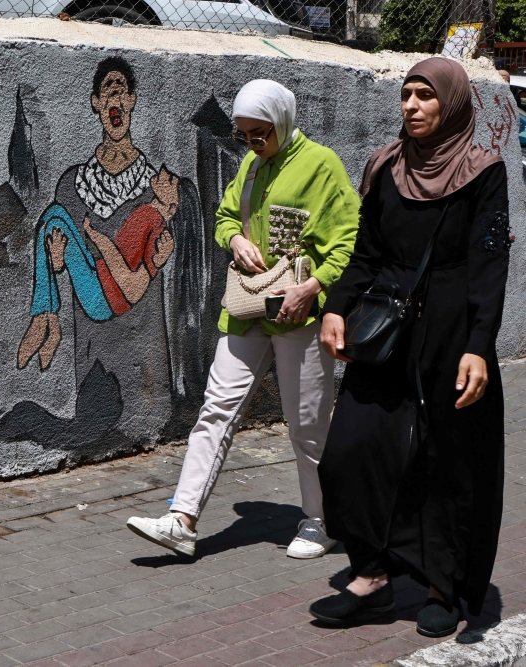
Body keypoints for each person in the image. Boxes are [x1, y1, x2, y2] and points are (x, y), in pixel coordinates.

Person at [311, 58, 511, 638]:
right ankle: (371, 574)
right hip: (386, 326)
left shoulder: (481, 171)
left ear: (449, 105)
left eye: (425, 96)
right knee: (352, 447)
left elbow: (488, 263)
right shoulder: (385, 167)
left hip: (451, 331)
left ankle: (441, 587)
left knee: (444, 460)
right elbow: (366, 252)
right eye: (406, 95)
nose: (412, 106)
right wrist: (334, 307)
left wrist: (479, 344)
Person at [126, 80, 360, 559]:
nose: (253, 144)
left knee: (306, 424)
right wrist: (234, 240)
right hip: (249, 308)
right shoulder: (252, 167)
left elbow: (351, 240)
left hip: (299, 314)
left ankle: (321, 519)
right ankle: (182, 519)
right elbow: (227, 217)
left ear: (283, 122)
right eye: (245, 136)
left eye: (261, 134)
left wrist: (314, 287)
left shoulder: (323, 166)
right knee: (216, 409)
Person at [17, 56, 177, 373]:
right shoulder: (72, 184)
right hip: (91, 336)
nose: (116, 97)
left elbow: (149, 263)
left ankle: (45, 318)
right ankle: (46, 319)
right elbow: (65, 263)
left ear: (132, 100)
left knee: (53, 217)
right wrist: (58, 260)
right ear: (96, 103)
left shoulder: (153, 188)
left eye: (122, 89)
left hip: (140, 345)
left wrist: (166, 214)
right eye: (108, 90)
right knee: (53, 218)